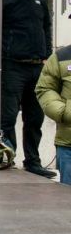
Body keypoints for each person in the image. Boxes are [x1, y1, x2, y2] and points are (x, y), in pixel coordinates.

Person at [1, 0, 56, 178]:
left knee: (35, 118)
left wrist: (47, 55)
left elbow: (46, 26)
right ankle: (8, 159)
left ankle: (33, 161)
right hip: (12, 66)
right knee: (8, 117)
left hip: (36, 67)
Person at [35, 44, 71, 185]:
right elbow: (45, 89)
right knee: (67, 201)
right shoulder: (61, 57)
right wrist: (65, 112)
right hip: (69, 146)